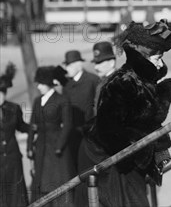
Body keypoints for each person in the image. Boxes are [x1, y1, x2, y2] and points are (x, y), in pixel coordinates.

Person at [77, 20, 171, 207]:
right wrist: (137, 154)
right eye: (156, 58)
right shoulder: (122, 82)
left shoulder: (144, 80)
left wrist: (159, 147)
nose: (160, 63)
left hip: (131, 161)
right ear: (143, 57)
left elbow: (148, 123)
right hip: (115, 162)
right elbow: (108, 129)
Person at [28, 66, 76, 207]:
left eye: (42, 84)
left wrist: (59, 147)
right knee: (41, 186)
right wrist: (30, 147)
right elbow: (32, 126)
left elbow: (67, 125)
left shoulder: (62, 99)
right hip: (41, 149)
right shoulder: (37, 101)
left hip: (57, 151)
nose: (39, 86)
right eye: (38, 83)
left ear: (49, 84)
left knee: (59, 185)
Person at [61, 50, 100, 169]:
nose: (67, 68)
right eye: (66, 65)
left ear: (79, 64)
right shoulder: (67, 84)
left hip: (89, 132)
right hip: (72, 132)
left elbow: (98, 104)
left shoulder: (93, 80)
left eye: (70, 65)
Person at [0, 63, 30, 207]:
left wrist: (37, 128)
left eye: (3, 93)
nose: (0, 96)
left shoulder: (13, 108)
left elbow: (22, 126)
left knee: (16, 196)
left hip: (13, 158)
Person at [90, 41, 117, 114]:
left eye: (99, 63)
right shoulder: (102, 81)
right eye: (95, 63)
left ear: (112, 63)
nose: (96, 67)